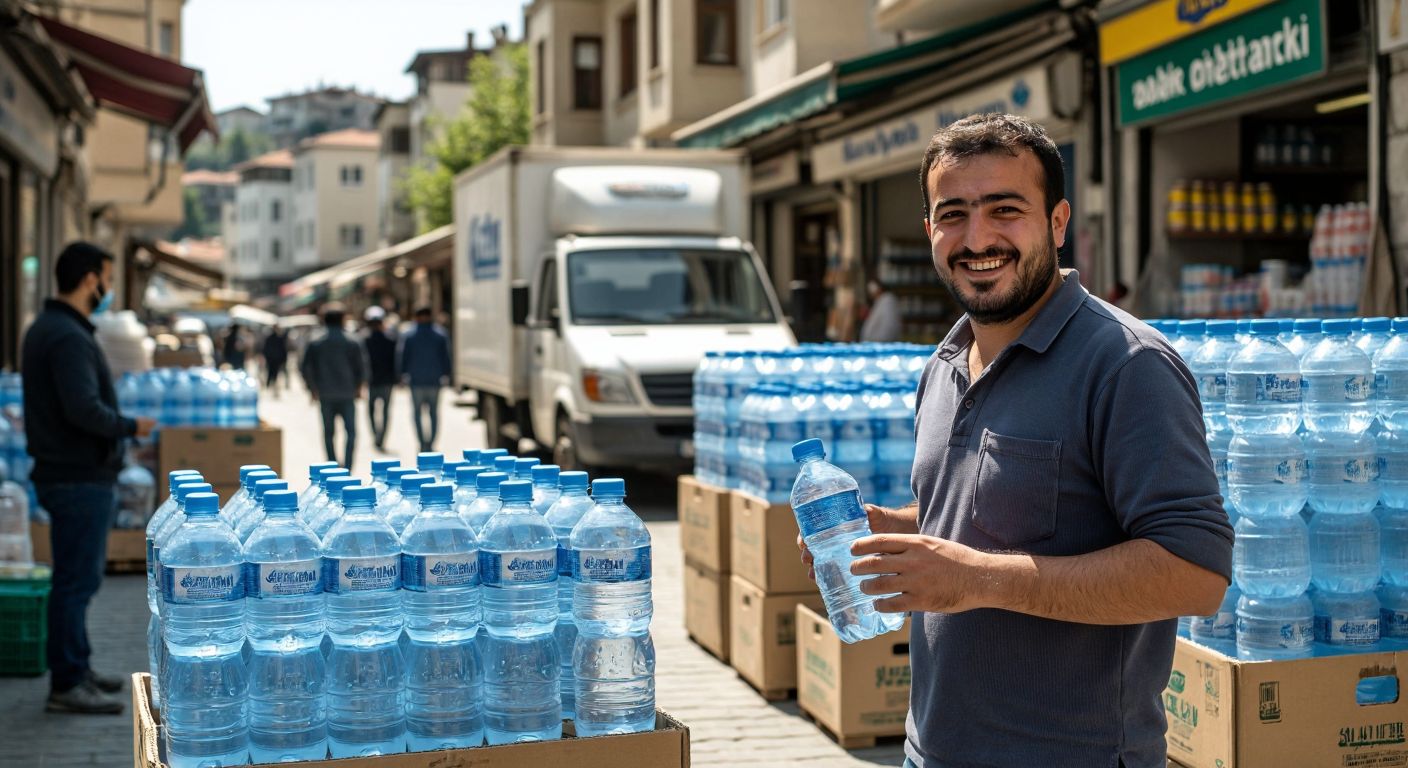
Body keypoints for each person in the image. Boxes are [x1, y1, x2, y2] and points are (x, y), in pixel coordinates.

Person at [798, 114, 1233, 768]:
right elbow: (1008, 511)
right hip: (932, 750)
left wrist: (977, 580)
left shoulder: (1125, 365)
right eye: (954, 214)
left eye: (1005, 209)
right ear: (931, 232)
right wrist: (897, 528)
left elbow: (1195, 573)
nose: (977, 238)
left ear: (1058, 224)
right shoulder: (943, 364)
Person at [22, 242, 156, 715]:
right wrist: (128, 427)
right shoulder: (66, 336)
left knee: (77, 581)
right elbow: (82, 410)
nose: (108, 288)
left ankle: (77, 667)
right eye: (106, 276)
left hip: (73, 475)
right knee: (75, 583)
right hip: (77, 478)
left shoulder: (59, 329)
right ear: (87, 280)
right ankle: (68, 680)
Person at [300, 303, 366, 469]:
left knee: (329, 433)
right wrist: (359, 387)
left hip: (325, 393)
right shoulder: (352, 341)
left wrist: (312, 388)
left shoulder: (316, 342)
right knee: (351, 432)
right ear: (343, 319)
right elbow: (362, 367)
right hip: (347, 393)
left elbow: (305, 367)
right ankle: (348, 467)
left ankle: (332, 466)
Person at [396, 306, 452, 453]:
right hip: (434, 380)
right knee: (433, 413)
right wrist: (447, 374)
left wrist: (401, 375)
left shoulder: (408, 334)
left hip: (416, 381)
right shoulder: (440, 334)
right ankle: (430, 443)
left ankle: (422, 442)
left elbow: (402, 356)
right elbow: (446, 357)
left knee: (417, 413)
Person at [362, 307, 397, 451]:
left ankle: (377, 436)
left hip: (374, 381)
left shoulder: (364, 339)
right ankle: (380, 437)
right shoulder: (390, 339)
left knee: (372, 410)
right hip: (385, 381)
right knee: (384, 411)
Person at [260, 326, 289, 394]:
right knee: (272, 372)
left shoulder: (276, 338)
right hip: (273, 359)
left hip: (273, 359)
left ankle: (270, 385)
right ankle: (270, 385)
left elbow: (283, 350)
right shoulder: (275, 338)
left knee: (271, 372)